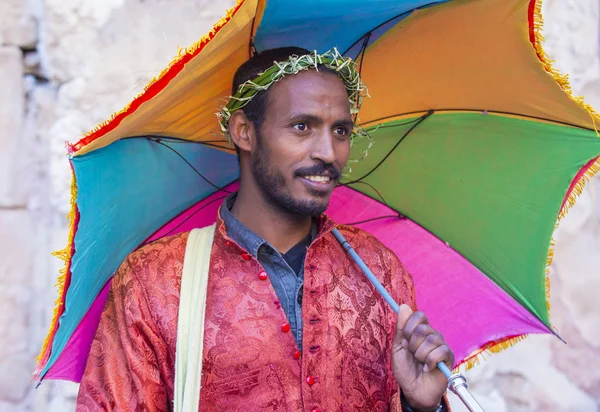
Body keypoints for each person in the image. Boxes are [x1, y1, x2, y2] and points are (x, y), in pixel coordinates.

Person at [76, 47, 454, 412]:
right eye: (302, 126)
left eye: (341, 130)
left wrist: (419, 406)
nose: (328, 151)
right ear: (244, 131)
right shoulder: (155, 281)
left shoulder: (379, 272)